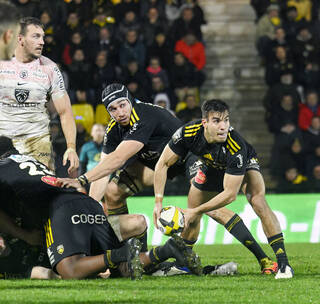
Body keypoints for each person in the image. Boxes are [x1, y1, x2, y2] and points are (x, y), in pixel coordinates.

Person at [58, 83, 279, 274]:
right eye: (113, 109)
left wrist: (82, 180)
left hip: (188, 157)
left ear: (131, 101)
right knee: (113, 192)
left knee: (208, 208)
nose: (120, 112)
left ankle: (263, 257)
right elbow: (104, 169)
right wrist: (92, 209)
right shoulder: (114, 129)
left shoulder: (143, 116)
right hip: (158, 165)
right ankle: (133, 257)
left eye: (123, 105)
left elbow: (118, 158)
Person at [0, 136, 202, 279]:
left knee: (70, 270)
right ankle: (168, 250)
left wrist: (23, 235)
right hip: (85, 202)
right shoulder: (25, 161)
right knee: (121, 270)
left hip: (59, 210)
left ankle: (122, 253)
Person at [153, 99, 294, 279]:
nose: (223, 126)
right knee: (193, 210)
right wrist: (158, 202)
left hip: (241, 162)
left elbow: (230, 195)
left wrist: (194, 211)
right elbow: (162, 164)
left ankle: (283, 264)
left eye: (226, 120)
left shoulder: (235, 146)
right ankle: (183, 263)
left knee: (257, 201)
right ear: (204, 123)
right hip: (210, 165)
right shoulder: (188, 132)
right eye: (217, 121)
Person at [0, 17, 79, 172]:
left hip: (37, 143)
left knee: (42, 192)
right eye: (36, 36)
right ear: (20, 39)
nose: (42, 41)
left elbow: (65, 112)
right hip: (3, 141)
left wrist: (71, 147)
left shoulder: (50, 69)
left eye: (42, 36)